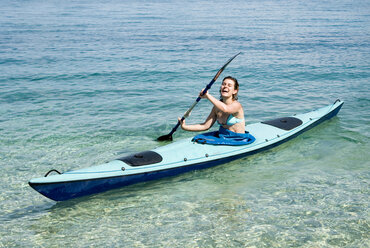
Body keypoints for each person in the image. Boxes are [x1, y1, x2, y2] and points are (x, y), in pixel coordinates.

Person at [179, 76, 245, 134]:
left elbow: (226, 109)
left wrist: (207, 96)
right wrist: (185, 127)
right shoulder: (216, 108)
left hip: (238, 139)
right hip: (223, 138)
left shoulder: (237, 105)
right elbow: (205, 126)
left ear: (235, 91)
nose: (225, 86)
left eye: (229, 85)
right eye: (223, 84)